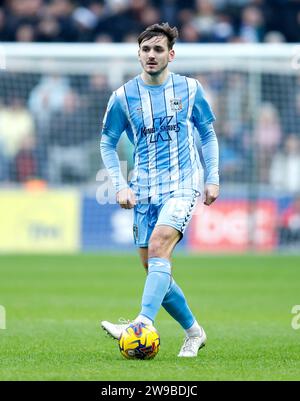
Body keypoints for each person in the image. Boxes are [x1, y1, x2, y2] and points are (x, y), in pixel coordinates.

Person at [100, 22, 219, 358]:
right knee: (155, 266)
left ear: (171, 54)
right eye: (146, 49)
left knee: (158, 245)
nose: (151, 55)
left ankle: (140, 323)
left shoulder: (191, 89)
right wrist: (120, 184)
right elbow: (107, 142)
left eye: (158, 49)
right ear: (138, 54)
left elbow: (208, 135)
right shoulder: (122, 97)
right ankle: (194, 332)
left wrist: (213, 178)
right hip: (143, 190)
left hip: (182, 184)